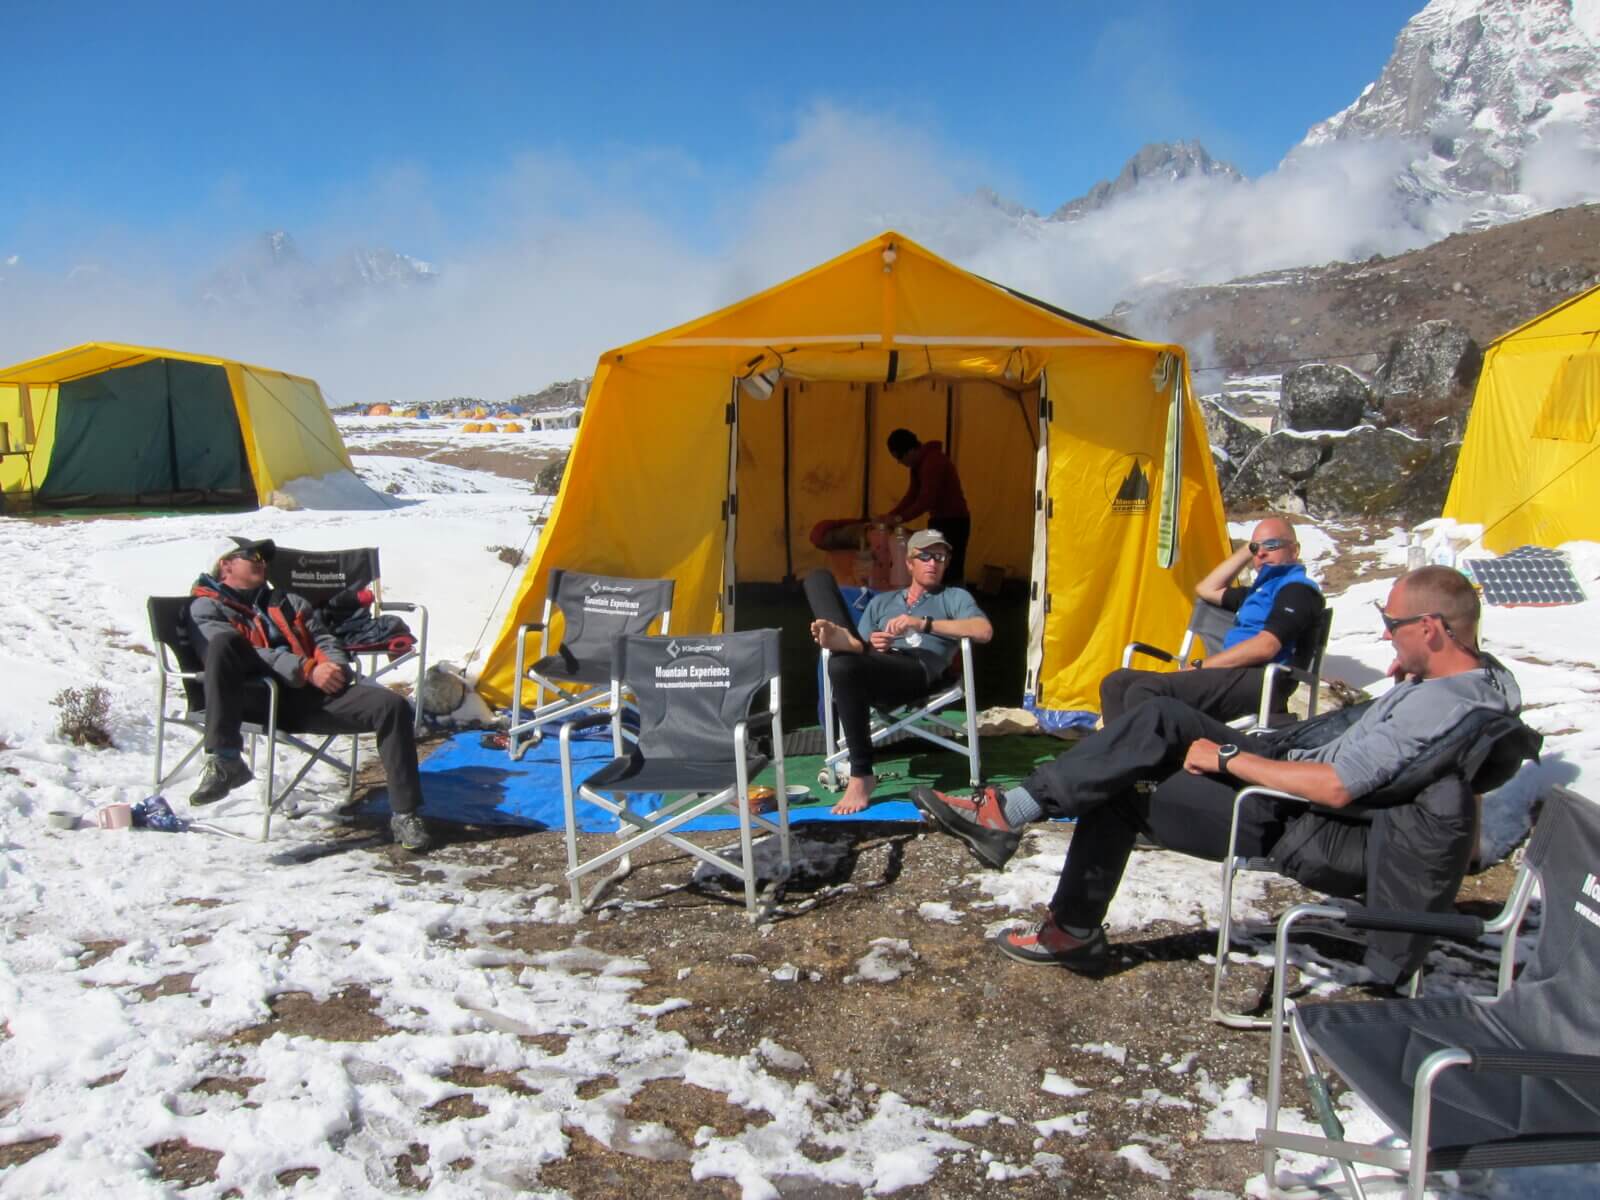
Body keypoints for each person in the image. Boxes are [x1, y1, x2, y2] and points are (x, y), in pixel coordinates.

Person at [912, 566, 1519, 974]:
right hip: (1291, 769)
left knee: (1123, 786)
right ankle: (1018, 823)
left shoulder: (1443, 703)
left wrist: (1232, 759)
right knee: (1158, 718)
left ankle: (1028, 850)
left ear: (1433, 629)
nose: (1387, 639)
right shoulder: (1479, 681)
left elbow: (1336, 787)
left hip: (1293, 815)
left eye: (1394, 628)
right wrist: (1415, 676)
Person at [185, 536, 433, 852]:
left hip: (306, 700)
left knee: (391, 706)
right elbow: (240, 654)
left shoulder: (287, 601)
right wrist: (305, 669)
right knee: (226, 644)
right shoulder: (204, 608)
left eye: (265, 557)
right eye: (253, 556)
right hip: (248, 700)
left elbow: (325, 638)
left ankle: (405, 814)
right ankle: (226, 759)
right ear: (226, 564)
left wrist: (333, 667)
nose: (262, 561)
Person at [807, 528, 994, 815]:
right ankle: (852, 642)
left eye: (940, 557)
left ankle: (861, 775)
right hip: (877, 668)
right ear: (909, 563)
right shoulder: (882, 602)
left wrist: (923, 624)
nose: (934, 563)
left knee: (843, 662)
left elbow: (983, 631)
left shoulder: (953, 597)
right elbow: (870, 645)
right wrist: (873, 643)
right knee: (817, 581)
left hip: (917, 673)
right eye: (926, 556)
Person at [1099, 516, 1325, 723]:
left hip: (1261, 680)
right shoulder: (1257, 593)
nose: (1261, 553)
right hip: (1231, 676)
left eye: (1272, 545)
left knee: (1147, 690)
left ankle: (1148, 762)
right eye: (1256, 548)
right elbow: (1206, 589)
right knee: (1116, 683)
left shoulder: (1297, 590)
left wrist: (1199, 667)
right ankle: (1114, 758)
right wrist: (1248, 550)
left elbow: (1265, 646)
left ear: (1294, 551)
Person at [879, 429, 972, 582]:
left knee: (950, 573)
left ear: (910, 450)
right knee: (937, 570)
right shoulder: (918, 465)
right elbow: (911, 495)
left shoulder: (933, 462)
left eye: (900, 458)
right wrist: (892, 515)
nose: (900, 463)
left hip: (954, 522)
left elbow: (926, 500)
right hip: (940, 520)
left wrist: (899, 518)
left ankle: (956, 604)